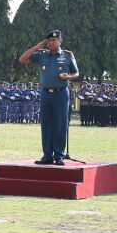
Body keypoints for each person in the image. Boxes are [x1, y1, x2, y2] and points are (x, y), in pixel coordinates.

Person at [18, 30, 79, 165]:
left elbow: (76, 72)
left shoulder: (67, 55)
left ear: (60, 41)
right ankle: (47, 155)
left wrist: (68, 77)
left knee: (60, 124)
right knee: (46, 124)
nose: (51, 42)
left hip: (61, 93)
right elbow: (22, 59)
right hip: (45, 93)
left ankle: (59, 156)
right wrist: (37, 47)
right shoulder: (41, 55)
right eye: (49, 40)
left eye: (54, 40)